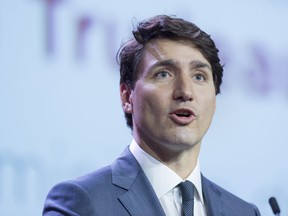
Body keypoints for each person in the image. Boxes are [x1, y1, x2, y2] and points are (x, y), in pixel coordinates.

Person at [42, 15, 261, 216]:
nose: (185, 91)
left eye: (199, 76)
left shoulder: (243, 212)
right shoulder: (82, 202)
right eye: (163, 74)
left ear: (214, 101)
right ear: (127, 97)